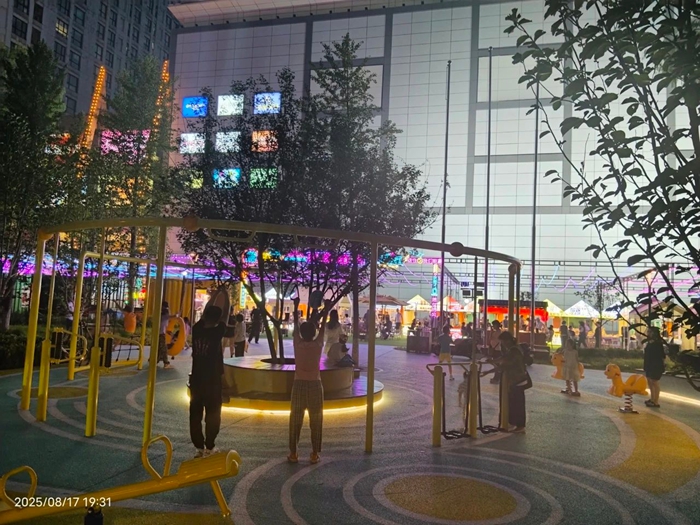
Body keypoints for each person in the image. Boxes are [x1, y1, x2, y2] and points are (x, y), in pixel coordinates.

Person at [288, 297, 331, 464]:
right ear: (314, 333)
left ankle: (293, 453)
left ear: (301, 333)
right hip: (315, 385)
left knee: (295, 419)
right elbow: (323, 327)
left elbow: (295, 325)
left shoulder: (297, 343)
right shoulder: (318, 344)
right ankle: (314, 453)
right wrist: (326, 310)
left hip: (298, 384)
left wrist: (296, 307)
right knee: (316, 419)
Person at [189, 306, 235, 458]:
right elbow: (225, 316)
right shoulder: (217, 333)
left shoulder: (196, 330)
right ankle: (209, 446)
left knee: (195, 413)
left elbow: (209, 315)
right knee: (213, 414)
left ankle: (199, 447)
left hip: (196, 379)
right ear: (217, 319)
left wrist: (216, 295)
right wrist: (225, 295)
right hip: (212, 381)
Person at [494, 331, 529, 433]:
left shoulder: (514, 350)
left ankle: (520, 425)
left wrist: (492, 368)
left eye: (503, 342)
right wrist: (494, 362)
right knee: (514, 402)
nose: (502, 344)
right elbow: (504, 359)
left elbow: (507, 363)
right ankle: (514, 422)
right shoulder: (513, 349)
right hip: (517, 379)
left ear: (507, 341)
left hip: (517, 379)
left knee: (517, 403)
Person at [644, 327, 666, 408]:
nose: (648, 333)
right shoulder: (649, 342)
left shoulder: (658, 343)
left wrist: (663, 365)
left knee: (654, 381)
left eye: (650, 332)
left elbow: (662, 355)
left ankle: (656, 401)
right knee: (650, 381)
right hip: (649, 364)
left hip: (656, 365)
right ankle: (652, 398)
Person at [158, 302, 172, 369]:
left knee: (159, 348)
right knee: (164, 348)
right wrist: (177, 315)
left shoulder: (160, 315)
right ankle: (166, 363)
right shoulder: (165, 316)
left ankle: (155, 360)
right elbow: (172, 316)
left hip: (158, 333)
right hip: (161, 334)